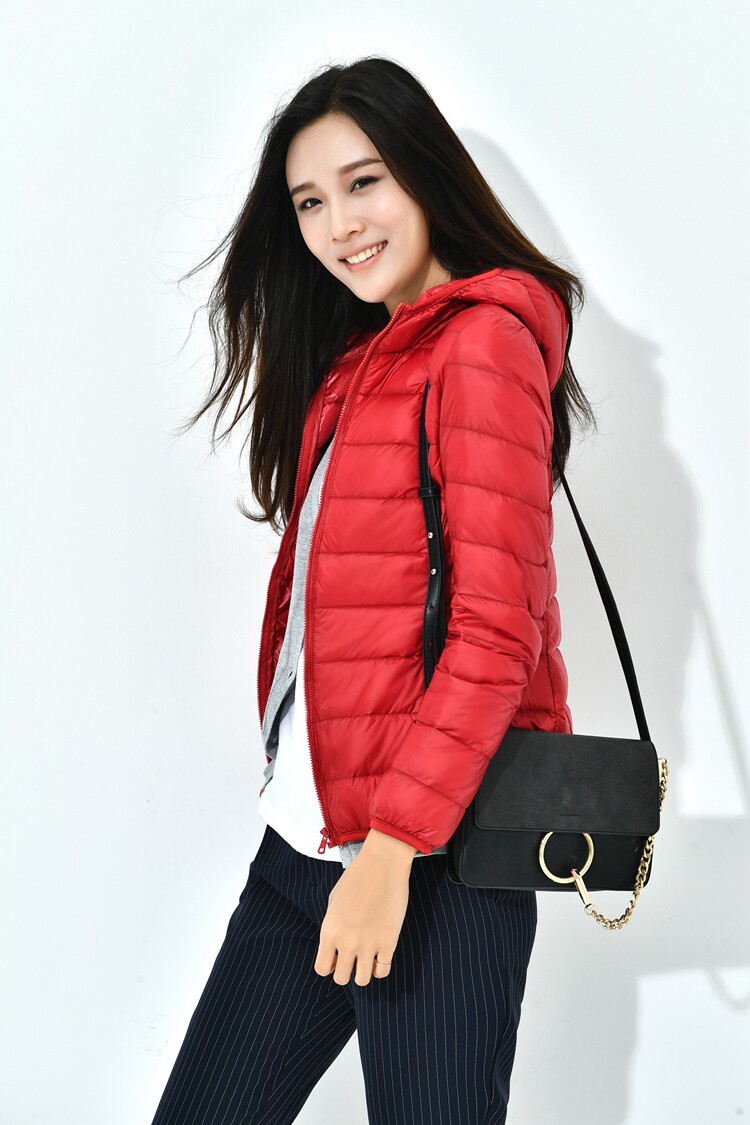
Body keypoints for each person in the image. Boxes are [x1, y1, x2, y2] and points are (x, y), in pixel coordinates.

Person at [150, 54, 597, 1125]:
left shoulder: (481, 345)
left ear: (426, 174)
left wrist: (391, 854)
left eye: (364, 182)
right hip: (309, 845)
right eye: (310, 201)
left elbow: (496, 632)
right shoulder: (362, 361)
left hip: (434, 863)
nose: (339, 223)